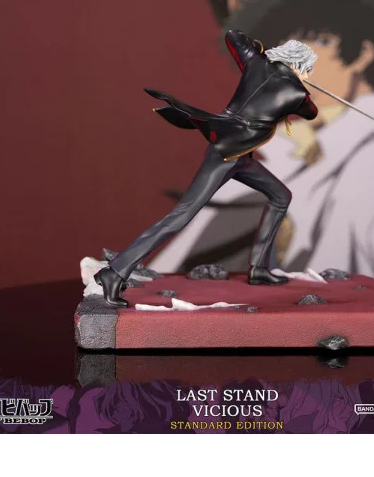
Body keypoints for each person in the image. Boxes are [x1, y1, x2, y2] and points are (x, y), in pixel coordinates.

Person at [150, 0, 374, 288]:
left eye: (319, 40)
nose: (298, 57)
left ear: (363, 53)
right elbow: (166, 277)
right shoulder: (279, 155)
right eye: (285, 42)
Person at [94, 29, 319, 307]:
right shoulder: (297, 93)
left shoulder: (255, 62)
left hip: (239, 155)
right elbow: (311, 112)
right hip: (226, 156)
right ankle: (114, 272)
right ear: (299, 65)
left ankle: (259, 268)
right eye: (308, 69)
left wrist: (259, 52)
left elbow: (233, 36)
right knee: (181, 216)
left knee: (280, 195)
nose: (309, 74)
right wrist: (302, 86)